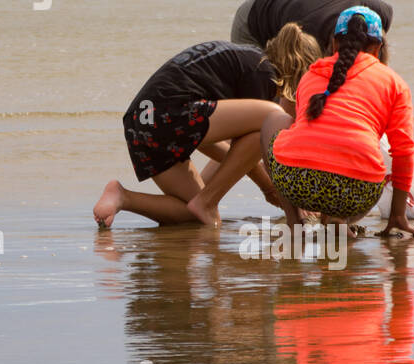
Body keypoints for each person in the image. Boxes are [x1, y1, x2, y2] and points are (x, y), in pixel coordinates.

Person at [94, 25, 321, 229]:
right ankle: (207, 201)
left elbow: (205, 137)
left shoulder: (245, 60)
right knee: (273, 118)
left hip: (142, 125)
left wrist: (259, 180)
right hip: (166, 115)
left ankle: (123, 197)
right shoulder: (262, 73)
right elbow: (258, 139)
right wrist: (269, 188)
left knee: (193, 214)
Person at [260, 7, 414, 239]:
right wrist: (398, 215)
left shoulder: (311, 74)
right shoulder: (394, 83)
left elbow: (309, 134)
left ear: (334, 43)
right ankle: (338, 220)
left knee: (274, 118)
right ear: (377, 48)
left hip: (296, 184)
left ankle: (295, 221)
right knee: (355, 147)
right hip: (356, 194)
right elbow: (403, 151)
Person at [230, 0, 394, 53]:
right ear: (333, 45)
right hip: (255, 15)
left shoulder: (381, 15)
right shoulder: (310, 34)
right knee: (271, 99)